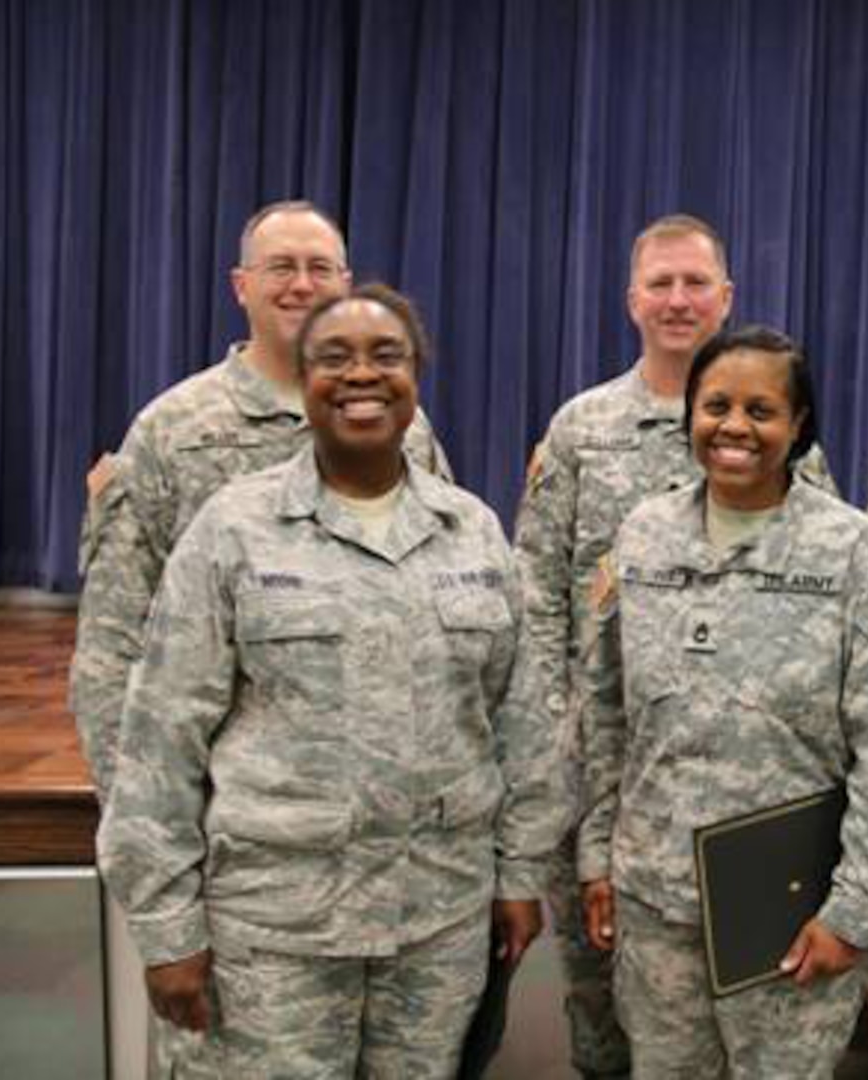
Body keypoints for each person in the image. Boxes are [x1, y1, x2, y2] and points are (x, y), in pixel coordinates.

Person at [96, 284, 569, 1077]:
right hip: (273, 937)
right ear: (302, 381)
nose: (362, 375)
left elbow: (522, 724)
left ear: (416, 376)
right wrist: (168, 927)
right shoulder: (233, 530)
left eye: (386, 355)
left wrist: (519, 873)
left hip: (437, 927)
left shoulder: (471, 533)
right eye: (334, 358)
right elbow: (160, 738)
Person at [514, 214, 833, 1079]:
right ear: (631, 300)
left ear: (726, 298)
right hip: (611, 779)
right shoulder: (581, 431)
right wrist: (559, 741)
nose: (679, 300)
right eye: (661, 283)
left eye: (697, 283)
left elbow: (824, 590)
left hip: (754, 786)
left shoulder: (776, 425)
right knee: (605, 1014)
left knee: (758, 1015)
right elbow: (538, 595)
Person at [574, 325, 868, 1078]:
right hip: (658, 903)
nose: (734, 427)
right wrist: (595, 855)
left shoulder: (853, 552)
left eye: (761, 410)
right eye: (715, 406)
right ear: (689, 415)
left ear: (799, 424)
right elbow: (606, 711)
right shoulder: (643, 538)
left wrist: (856, 909)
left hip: (793, 914)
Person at [70, 200, 452, 802]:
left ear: (346, 286)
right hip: (241, 820)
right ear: (241, 286)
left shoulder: (404, 425)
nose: (303, 284)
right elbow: (111, 646)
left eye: (321, 268)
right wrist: (140, 812)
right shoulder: (172, 432)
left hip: (384, 805)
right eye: (281, 267)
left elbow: (444, 602)